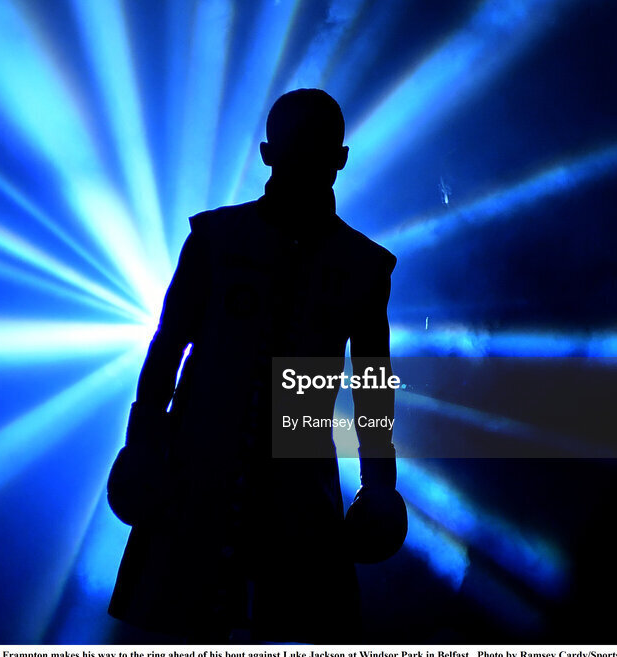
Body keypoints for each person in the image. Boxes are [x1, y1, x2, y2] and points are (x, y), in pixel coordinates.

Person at [106, 89, 405, 643]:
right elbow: (167, 343)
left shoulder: (227, 241)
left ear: (268, 152)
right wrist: (378, 485)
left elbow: (371, 385)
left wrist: (145, 441)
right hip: (217, 472)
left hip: (259, 477)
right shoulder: (223, 241)